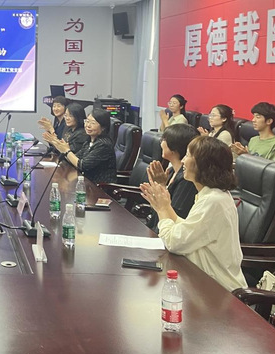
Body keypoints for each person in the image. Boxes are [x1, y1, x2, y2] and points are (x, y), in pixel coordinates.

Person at [140, 136, 247, 292]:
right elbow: (188, 229)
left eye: (188, 155)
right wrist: (165, 206)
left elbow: (174, 243)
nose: (183, 161)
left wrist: (162, 209)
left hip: (219, 290)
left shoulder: (213, 201)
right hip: (202, 281)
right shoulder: (212, 195)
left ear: (204, 165)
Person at [146, 123, 199, 230]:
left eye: (164, 139)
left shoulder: (187, 179)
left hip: (167, 234)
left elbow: (175, 216)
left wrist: (161, 187)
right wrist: (158, 187)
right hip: (155, 228)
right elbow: (157, 209)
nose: (161, 142)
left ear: (174, 148)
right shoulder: (170, 171)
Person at [55, 108, 117, 183]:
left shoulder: (103, 144)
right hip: (87, 182)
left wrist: (67, 151)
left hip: (99, 186)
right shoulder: (89, 141)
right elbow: (77, 158)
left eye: (93, 123)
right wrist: (63, 149)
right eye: (87, 121)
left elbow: (82, 166)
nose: (88, 125)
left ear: (103, 127)